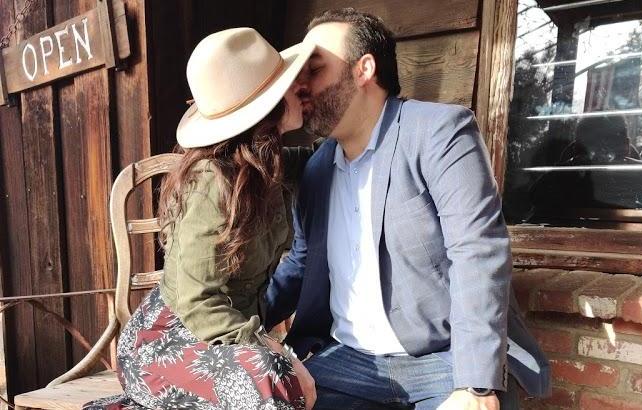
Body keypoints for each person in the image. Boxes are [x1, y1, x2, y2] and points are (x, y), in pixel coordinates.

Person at [264, 9, 550, 410]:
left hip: (443, 357)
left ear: (364, 69)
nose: (301, 86)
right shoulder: (317, 168)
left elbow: (476, 251)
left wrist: (475, 386)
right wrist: (231, 324)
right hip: (346, 361)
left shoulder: (439, 133)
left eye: (313, 69)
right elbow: (301, 261)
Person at [85, 28, 317, 409]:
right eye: (289, 82)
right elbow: (198, 302)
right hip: (164, 345)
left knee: (273, 376)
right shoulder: (213, 181)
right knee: (273, 377)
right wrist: (277, 351)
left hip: (220, 343)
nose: (301, 86)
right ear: (268, 107)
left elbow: (319, 161)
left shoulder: (264, 164)